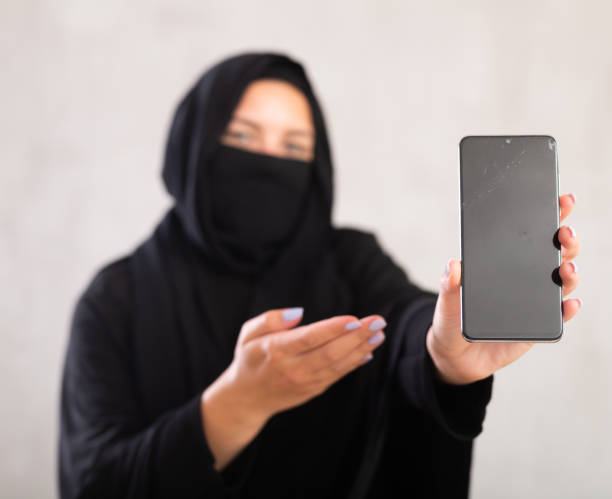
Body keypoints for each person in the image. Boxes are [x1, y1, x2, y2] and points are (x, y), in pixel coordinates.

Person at [58, 51, 582, 499]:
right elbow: (95, 481)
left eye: (293, 147)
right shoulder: (115, 300)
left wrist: (441, 355)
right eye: (241, 135)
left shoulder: (349, 261)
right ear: (191, 149)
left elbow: (403, 321)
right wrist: (237, 405)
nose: (268, 162)